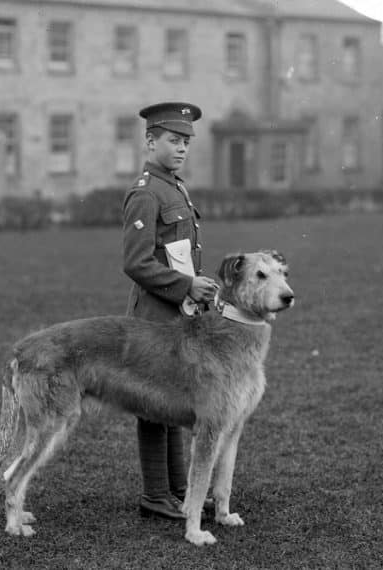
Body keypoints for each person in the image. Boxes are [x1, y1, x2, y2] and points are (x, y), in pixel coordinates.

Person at [122, 101, 219, 519]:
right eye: (173, 141)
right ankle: (155, 494)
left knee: (174, 402)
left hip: (179, 314)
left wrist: (195, 289)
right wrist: (186, 286)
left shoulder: (174, 187)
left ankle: (179, 489)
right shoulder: (146, 192)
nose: (181, 149)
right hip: (154, 318)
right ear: (150, 141)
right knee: (152, 406)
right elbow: (136, 262)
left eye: (186, 143)